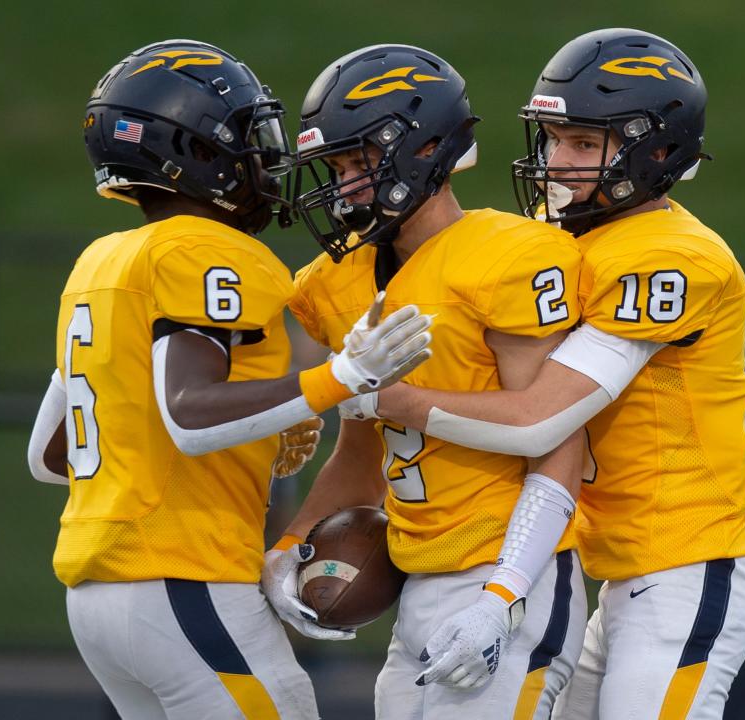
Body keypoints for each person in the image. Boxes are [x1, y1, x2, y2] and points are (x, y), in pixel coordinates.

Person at [349, 29, 745, 720]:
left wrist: (382, 395)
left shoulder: (672, 255)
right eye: (551, 139)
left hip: (687, 567)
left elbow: (542, 416)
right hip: (617, 572)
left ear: (655, 150)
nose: (556, 162)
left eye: (582, 144)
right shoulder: (570, 241)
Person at [25, 39, 432, 720]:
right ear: (198, 152)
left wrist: (254, 432)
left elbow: (51, 454)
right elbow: (189, 415)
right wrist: (344, 375)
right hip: (184, 582)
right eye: (248, 138)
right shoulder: (209, 250)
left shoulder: (102, 259)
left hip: (97, 597)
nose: (264, 159)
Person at [260, 44, 588, 720]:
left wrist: (501, 597)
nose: (343, 184)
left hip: (511, 575)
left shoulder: (506, 258)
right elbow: (360, 456)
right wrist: (291, 546)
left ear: (427, 150)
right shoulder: (338, 283)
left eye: (359, 162)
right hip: (416, 577)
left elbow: (556, 440)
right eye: (336, 166)